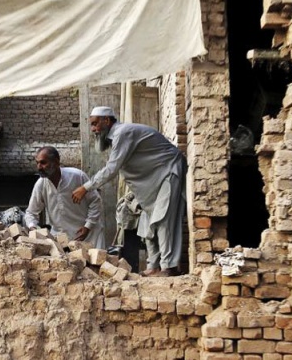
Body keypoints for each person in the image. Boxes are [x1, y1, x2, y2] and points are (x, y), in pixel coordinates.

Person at [72, 106, 187, 277]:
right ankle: (154, 266)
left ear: (107, 120)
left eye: (96, 124)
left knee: (163, 220)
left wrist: (86, 187)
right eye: (92, 125)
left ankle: (169, 267)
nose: (94, 129)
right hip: (152, 181)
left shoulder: (122, 133)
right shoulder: (114, 138)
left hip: (168, 172)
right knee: (147, 222)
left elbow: (112, 168)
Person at [24, 146, 106, 249]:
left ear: (56, 162)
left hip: (90, 235)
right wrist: (33, 229)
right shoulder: (41, 184)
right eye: (37, 163)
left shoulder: (77, 176)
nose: (39, 167)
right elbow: (31, 213)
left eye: (43, 163)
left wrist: (87, 227)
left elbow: (96, 202)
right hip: (62, 240)